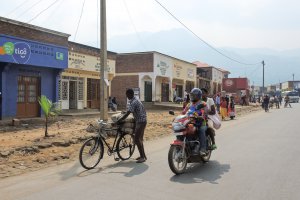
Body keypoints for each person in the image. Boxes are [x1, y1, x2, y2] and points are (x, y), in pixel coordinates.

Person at [117, 89, 147, 163]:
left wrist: (119, 121)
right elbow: (129, 111)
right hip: (141, 120)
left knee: (137, 139)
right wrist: (125, 112)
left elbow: (128, 113)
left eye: (127, 95)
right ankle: (143, 156)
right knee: (140, 139)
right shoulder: (135, 99)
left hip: (141, 121)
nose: (127, 97)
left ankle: (142, 157)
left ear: (130, 94)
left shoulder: (134, 102)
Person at [182, 88, 207, 156]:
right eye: (192, 95)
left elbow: (204, 113)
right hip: (190, 121)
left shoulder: (203, 103)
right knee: (182, 129)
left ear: (198, 96)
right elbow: (184, 112)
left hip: (201, 122)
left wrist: (202, 116)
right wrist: (180, 116)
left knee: (201, 130)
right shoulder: (189, 104)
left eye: (194, 95)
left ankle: (203, 149)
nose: (193, 97)